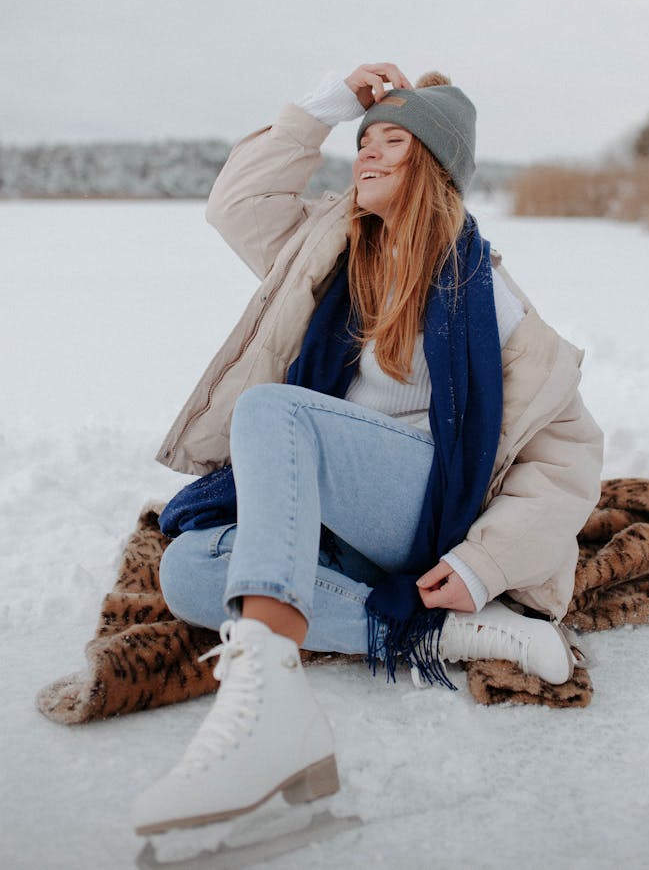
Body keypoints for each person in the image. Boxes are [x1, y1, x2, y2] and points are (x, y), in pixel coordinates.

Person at [131, 62, 603, 835]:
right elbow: (234, 203)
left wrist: (487, 562)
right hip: (337, 509)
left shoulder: (486, 294)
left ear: (436, 168)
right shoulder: (325, 248)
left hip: (421, 507)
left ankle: (270, 716)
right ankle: (447, 633)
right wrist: (326, 104)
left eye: (394, 141)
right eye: (365, 141)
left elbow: (571, 451)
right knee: (188, 569)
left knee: (275, 413)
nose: (369, 155)